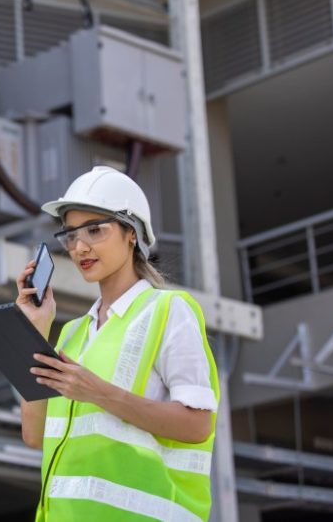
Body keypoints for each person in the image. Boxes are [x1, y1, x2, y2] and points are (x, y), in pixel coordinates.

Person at [16, 165, 219, 522]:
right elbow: (34, 435)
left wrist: (98, 392)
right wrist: (36, 329)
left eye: (95, 230)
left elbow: (197, 424)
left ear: (132, 234)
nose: (80, 247)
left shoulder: (169, 310)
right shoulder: (72, 334)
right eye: (71, 235)